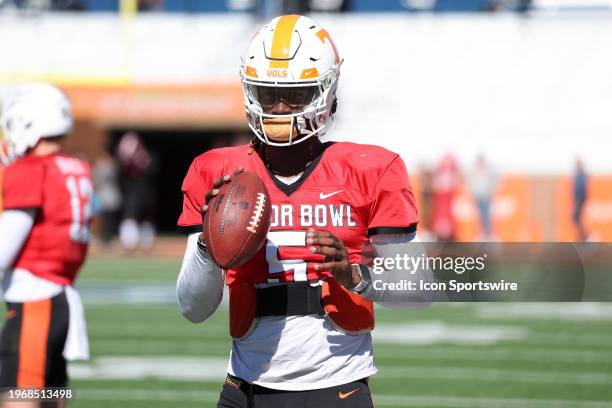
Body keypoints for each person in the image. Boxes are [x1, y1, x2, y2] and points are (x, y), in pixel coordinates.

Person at [176, 15, 432, 408]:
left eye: (295, 95)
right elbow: (194, 309)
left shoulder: (371, 169)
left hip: (338, 387)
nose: (279, 107)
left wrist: (356, 276)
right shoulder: (220, 174)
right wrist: (209, 247)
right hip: (245, 388)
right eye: (267, 93)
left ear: (326, 91)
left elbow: (417, 292)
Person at [0, 83, 91, 407]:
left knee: (18, 398)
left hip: (33, 301)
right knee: (53, 398)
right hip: (60, 302)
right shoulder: (75, 168)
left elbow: (3, 250)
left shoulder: (29, 170)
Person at [468, 154, 497, 240]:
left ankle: (488, 236)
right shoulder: (474, 172)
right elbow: (471, 184)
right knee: (478, 217)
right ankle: (480, 235)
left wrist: (491, 192)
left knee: (487, 217)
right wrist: (473, 194)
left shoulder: (488, 171)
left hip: (486, 197)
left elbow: (493, 182)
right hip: (477, 198)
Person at [573, 158, 588, 241]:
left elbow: (582, 188)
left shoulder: (581, 173)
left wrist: (581, 199)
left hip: (580, 199)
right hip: (578, 199)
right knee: (576, 218)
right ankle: (582, 237)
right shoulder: (578, 173)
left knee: (576, 217)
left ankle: (584, 237)